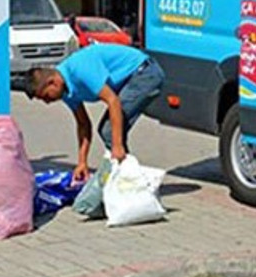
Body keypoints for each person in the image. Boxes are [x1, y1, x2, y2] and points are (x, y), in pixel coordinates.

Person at [26, 43, 164, 182]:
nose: (47, 102)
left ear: (53, 83)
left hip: (145, 73)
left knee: (109, 132)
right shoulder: (66, 92)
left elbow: (113, 101)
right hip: (129, 79)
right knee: (110, 132)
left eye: (46, 96)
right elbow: (83, 124)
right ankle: (126, 181)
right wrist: (82, 162)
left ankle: (129, 181)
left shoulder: (80, 69)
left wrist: (117, 146)